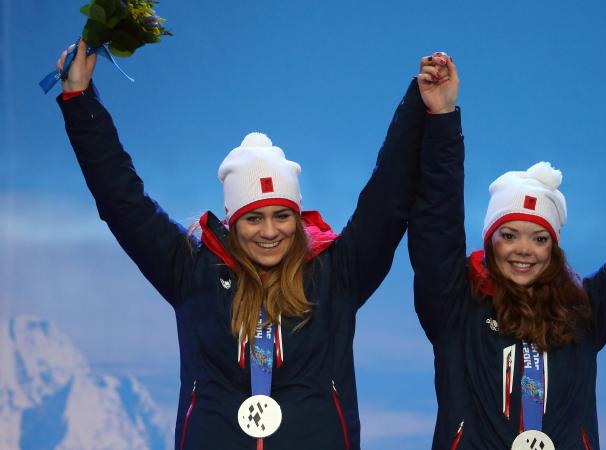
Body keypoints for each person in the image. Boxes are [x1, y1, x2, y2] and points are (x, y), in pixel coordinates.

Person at [55, 39, 433, 450]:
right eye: (253, 218)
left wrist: (418, 103)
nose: (269, 231)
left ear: (298, 216)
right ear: (233, 222)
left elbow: (388, 196)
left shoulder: (337, 273)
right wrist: (79, 99)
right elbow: (121, 199)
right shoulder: (191, 272)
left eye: (282, 215)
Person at [409, 54, 606, 449]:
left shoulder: (583, 312)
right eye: (509, 235)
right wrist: (442, 118)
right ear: (490, 241)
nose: (523, 250)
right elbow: (437, 223)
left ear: (554, 247)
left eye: (539, 238)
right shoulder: (455, 308)